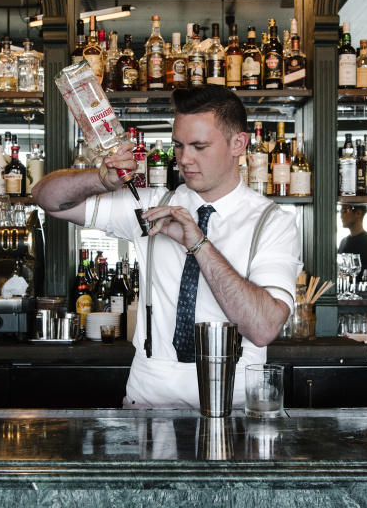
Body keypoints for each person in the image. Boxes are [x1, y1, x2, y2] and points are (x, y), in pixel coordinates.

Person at [32, 85, 302, 409]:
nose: (184, 159)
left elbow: (263, 328)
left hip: (235, 406)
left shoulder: (273, 221)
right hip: (148, 403)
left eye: (199, 146)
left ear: (238, 144)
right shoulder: (149, 204)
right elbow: (46, 198)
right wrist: (101, 180)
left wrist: (198, 243)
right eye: (178, 145)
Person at [338, 204, 367, 280]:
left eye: (344, 211)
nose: (341, 216)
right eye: (340, 212)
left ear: (358, 213)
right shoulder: (343, 242)